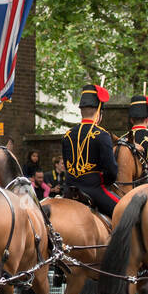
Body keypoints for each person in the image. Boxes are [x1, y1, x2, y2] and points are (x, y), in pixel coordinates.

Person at [61, 83, 119, 217]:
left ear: (81, 111)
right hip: (94, 190)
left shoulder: (67, 134)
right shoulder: (102, 135)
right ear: (99, 113)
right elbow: (111, 170)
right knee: (126, 212)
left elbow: (66, 165)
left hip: (69, 191)